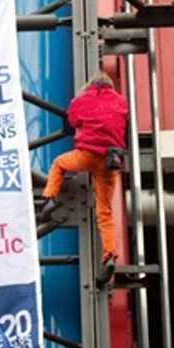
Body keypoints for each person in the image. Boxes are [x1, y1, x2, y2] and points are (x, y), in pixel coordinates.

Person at [38, 70, 129, 288]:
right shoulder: (120, 102)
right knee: (104, 213)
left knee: (59, 164)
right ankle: (109, 256)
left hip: (87, 155)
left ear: (91, 84)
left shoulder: (82, 100)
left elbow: (72, 119)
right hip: (110, 160)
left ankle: (49, 199)